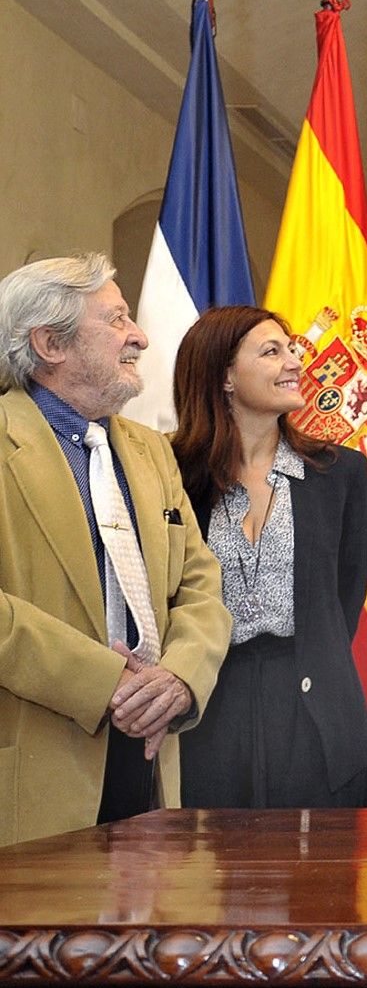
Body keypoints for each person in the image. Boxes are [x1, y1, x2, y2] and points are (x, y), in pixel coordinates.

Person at [0, 253, 229, 845]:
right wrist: (107, 683)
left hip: (151, 759)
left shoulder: (152, 450)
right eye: (117, 319)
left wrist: (179, 677)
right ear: (50, 343)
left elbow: (201, 583)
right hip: (37, 773)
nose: (141, 337)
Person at [170, 306, 367, 807]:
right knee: (209, 857)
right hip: (206, 711)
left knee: (321, 860)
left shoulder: (340, 472)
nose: (295, 362)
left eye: (291, 349)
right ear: (225, 376)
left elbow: (344, 598)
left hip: (320, 720)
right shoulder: (172, 476)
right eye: (271, 351)